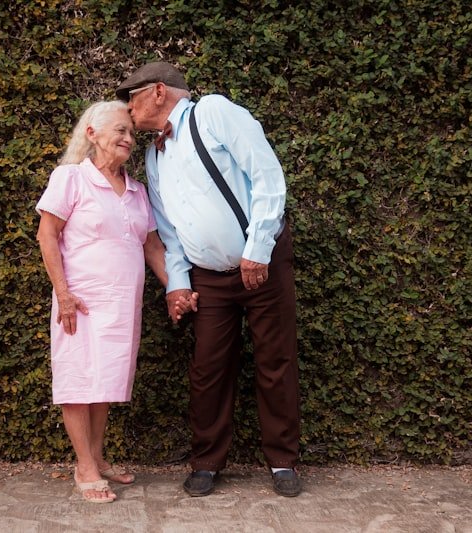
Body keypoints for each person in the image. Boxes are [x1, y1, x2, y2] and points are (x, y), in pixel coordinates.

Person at [116, 62, 302, 497]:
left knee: (275, 361)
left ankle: (282, 461)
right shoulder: (153, 153)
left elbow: (267, 177)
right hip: (208, 278)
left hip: (261, 262)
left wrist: (258, 251)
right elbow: (169, 228)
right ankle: (207, 461)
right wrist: (178, 282)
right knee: (208, 367)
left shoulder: (214, 112)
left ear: (158, 92)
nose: (127, 109)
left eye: (132, 98)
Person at [36, 100, 195, 503]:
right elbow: (47, 235)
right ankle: (85, 467)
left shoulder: (138, 191)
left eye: (130, 132)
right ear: (92, 134)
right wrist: (64, 294)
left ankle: (98, 458)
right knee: (77, 383)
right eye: (119, 131)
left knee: (104, 383)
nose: (127, 138)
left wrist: (176, 286)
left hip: (122, 305)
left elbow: (152, 246)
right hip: (81, 302)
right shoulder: (70, 178)